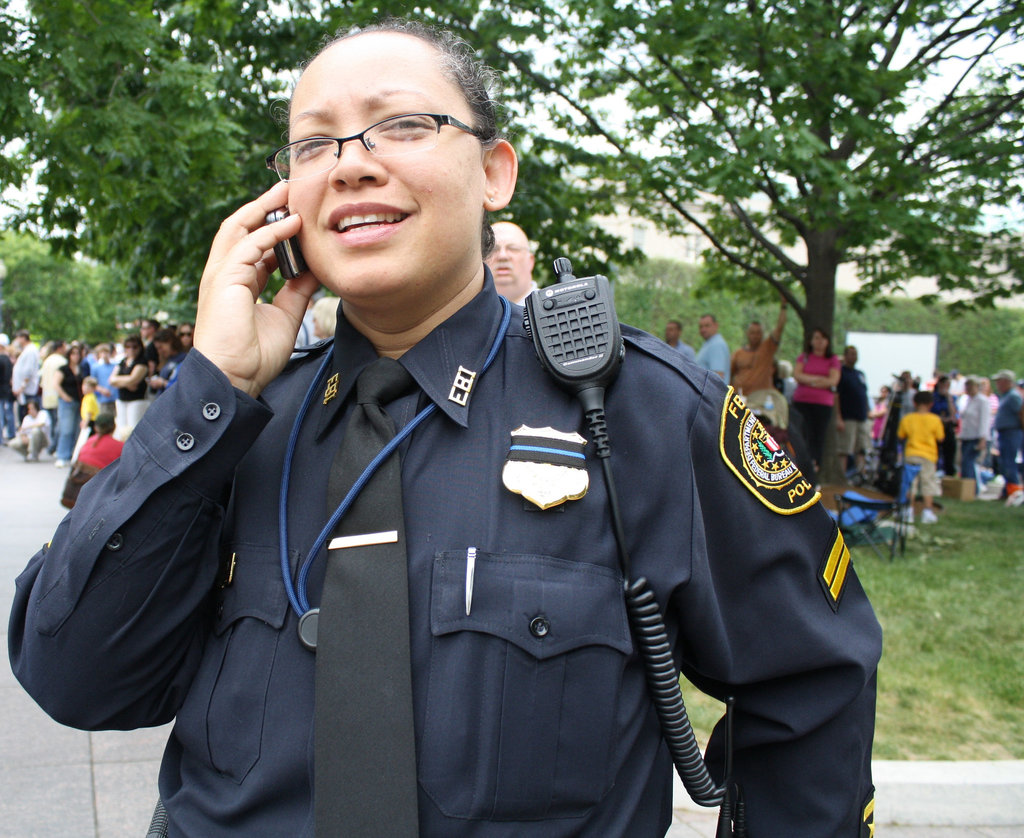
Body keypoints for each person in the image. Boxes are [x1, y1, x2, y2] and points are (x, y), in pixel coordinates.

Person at [8, 20, 880, 838]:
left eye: (402, 126)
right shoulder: (236, 426)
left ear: (494, 172)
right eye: (315, 143)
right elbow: (75, 680)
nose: (351, 166)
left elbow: (811, 685)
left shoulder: (640, 414)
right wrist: (211, 390)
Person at [791, 328, 842, 472]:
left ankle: (814, 466)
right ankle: (799, 463)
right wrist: (818, 380)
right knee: (802, 433)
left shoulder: (832, 360)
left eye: (822, 338)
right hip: (802, 401)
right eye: (816, 338)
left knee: (818, 436)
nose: (819, 342)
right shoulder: (804, 357)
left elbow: (833, 381)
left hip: (822, 404)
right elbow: (797, 375)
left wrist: (809, 380)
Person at [897, 390, 945, 523]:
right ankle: (927, 511)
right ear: (931, 404)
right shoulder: (935, 420)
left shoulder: (908, 418)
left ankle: (908, 511)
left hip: (912, 454)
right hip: (928, 455)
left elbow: (901, 435)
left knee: (911, 482)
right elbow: (940, 438)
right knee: (927, 482)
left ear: (914, 402)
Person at [730, 300, 787, 395]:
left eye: (758, 333)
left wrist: (784, 306)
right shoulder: (738, 353)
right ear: (747, 334)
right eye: (752, 332)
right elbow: (730, 375)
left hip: (761, 398)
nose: (755, 336)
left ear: (762, 334)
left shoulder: (768, 348)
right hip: (741, 397)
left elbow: (780, 327)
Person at [835, 345, 871, 477]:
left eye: (855, 354)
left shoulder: (860, 374)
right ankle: (841, 476)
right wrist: (838, 417)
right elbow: (836, 395)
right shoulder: (841, 373)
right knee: (844, 449)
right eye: (851, 354)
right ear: (845, 356)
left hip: (861, 417)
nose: (853, 357)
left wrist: (867, 411)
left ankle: (861, 475)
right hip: (847, 417)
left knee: (861, 448)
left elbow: (863, 394)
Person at [483, 220, 538, 304]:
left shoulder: (554, 310)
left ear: (530, 261)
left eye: (513, 249)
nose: (502, 256)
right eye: (493, 249)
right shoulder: (466, 314)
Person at [108, 334, 150, 439]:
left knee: (133, 428)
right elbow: (112, 380)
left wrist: (120, 382)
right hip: (122, 399)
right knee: (120, 428)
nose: (131, 349)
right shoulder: (123, 362)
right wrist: (127, 383)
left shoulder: (142, 362)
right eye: (128, 346)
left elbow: (133, 379)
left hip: (137, 400)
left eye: (134, 347)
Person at [991, 369, 1023, 504]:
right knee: (1005, 463)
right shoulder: (1006, 396)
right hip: (1005, 433)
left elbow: (1021, 411)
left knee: (1009, 463)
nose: (997, 384)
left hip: (1012, 432)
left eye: (999, 381)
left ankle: (1014, 494)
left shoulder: (1013, 396)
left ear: (1007, 382)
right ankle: (1007, 492)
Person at [54, 342, 85, 467]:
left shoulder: (81, 369)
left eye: (78, 354)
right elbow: (56, 384)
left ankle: (73, 454)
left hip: (80, 402)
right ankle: (62, 455)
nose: (76, 356)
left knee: (77, 429)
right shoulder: (63, 369)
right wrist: (65, 396)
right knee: (66, 429)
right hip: (67, 402)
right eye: (73, 354)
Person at [958, 376, 989, 487]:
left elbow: (984, 421)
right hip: (967, 435)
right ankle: (966, 487)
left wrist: (982, 438)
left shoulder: (982, 401)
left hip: (976, 436)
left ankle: (971, 488)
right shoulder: (968, 400)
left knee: (968, 462)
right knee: (964, 462)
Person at [930, 375, 958, 475]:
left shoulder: (952, 398)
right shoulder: (933, 397)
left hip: (947, 429)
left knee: (949, 455)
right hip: (935, 428)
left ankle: (949, 476)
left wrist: (948, 398)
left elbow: (954, 415)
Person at [11, 329, 41, 420]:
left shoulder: (31, 351)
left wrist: (21, 387)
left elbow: (28, 371)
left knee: (26, 417)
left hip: (27, 390)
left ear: (23, 338)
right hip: (24, 390)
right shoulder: (27, 350)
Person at [148, 328, 188, 396]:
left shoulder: (184, 359)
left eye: (161, 347)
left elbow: (183, 387)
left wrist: (163, 383)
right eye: (157, 349)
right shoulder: (167, 360)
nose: (159, 351)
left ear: (170, 342)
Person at [695, 313, 730, 384]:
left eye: (707, 326)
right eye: (701, 327)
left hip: (712, 394)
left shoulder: (717, 345)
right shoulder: (709, 343)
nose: (703, 329)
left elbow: (717, 377)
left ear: (716, 326)